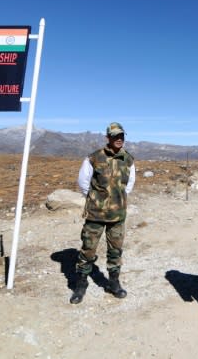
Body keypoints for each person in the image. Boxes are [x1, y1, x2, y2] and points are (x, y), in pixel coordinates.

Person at [69, 122, 136, 304]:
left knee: (115, 251)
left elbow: (128, 185)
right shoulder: (94, 158)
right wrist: (96, 200)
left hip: (117, 215)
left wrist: (117, 200)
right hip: (95, 214)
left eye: (121, 136)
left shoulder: (128, 160)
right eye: (115, 136)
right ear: (108, 138)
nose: (119, 139)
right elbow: (83, 183)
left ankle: (113, 283)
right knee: (88, 250)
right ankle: (80, 285)